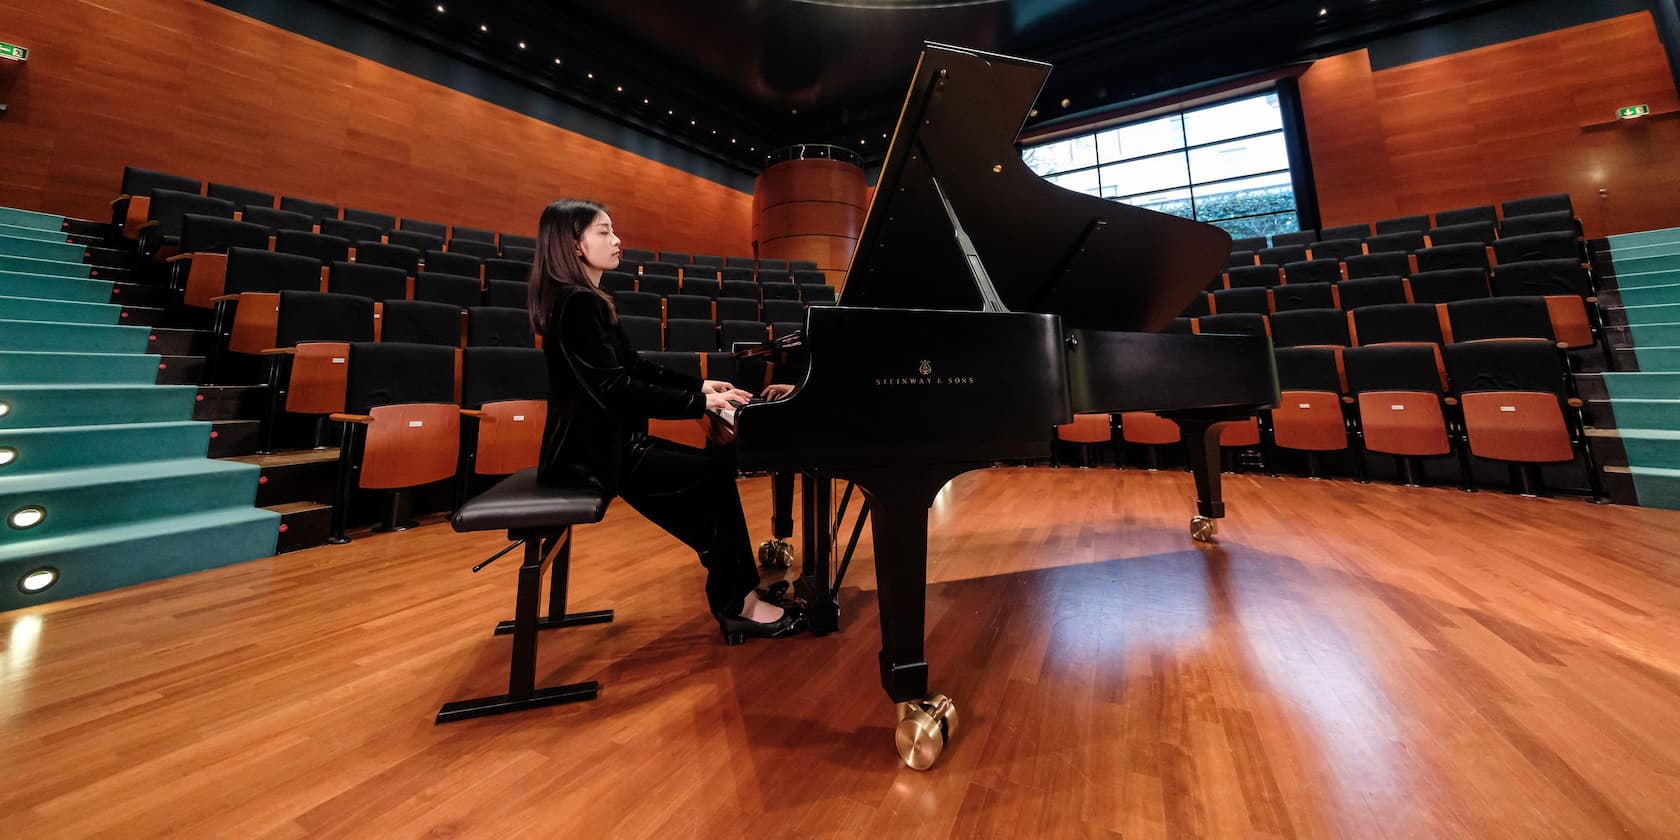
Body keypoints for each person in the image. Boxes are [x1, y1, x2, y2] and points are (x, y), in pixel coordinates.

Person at [527, 198, 806, 644]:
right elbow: (616, 387)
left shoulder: (581, 300)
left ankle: (738, 591)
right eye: (604, 232)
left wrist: (701, 387)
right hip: (595, 457)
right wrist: (700, 404)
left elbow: (634, 367)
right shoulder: (578, 304)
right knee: (713, 479)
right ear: (575, 245)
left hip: (603, 448)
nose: (617, 240)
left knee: (712, 478)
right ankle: (739, 604)